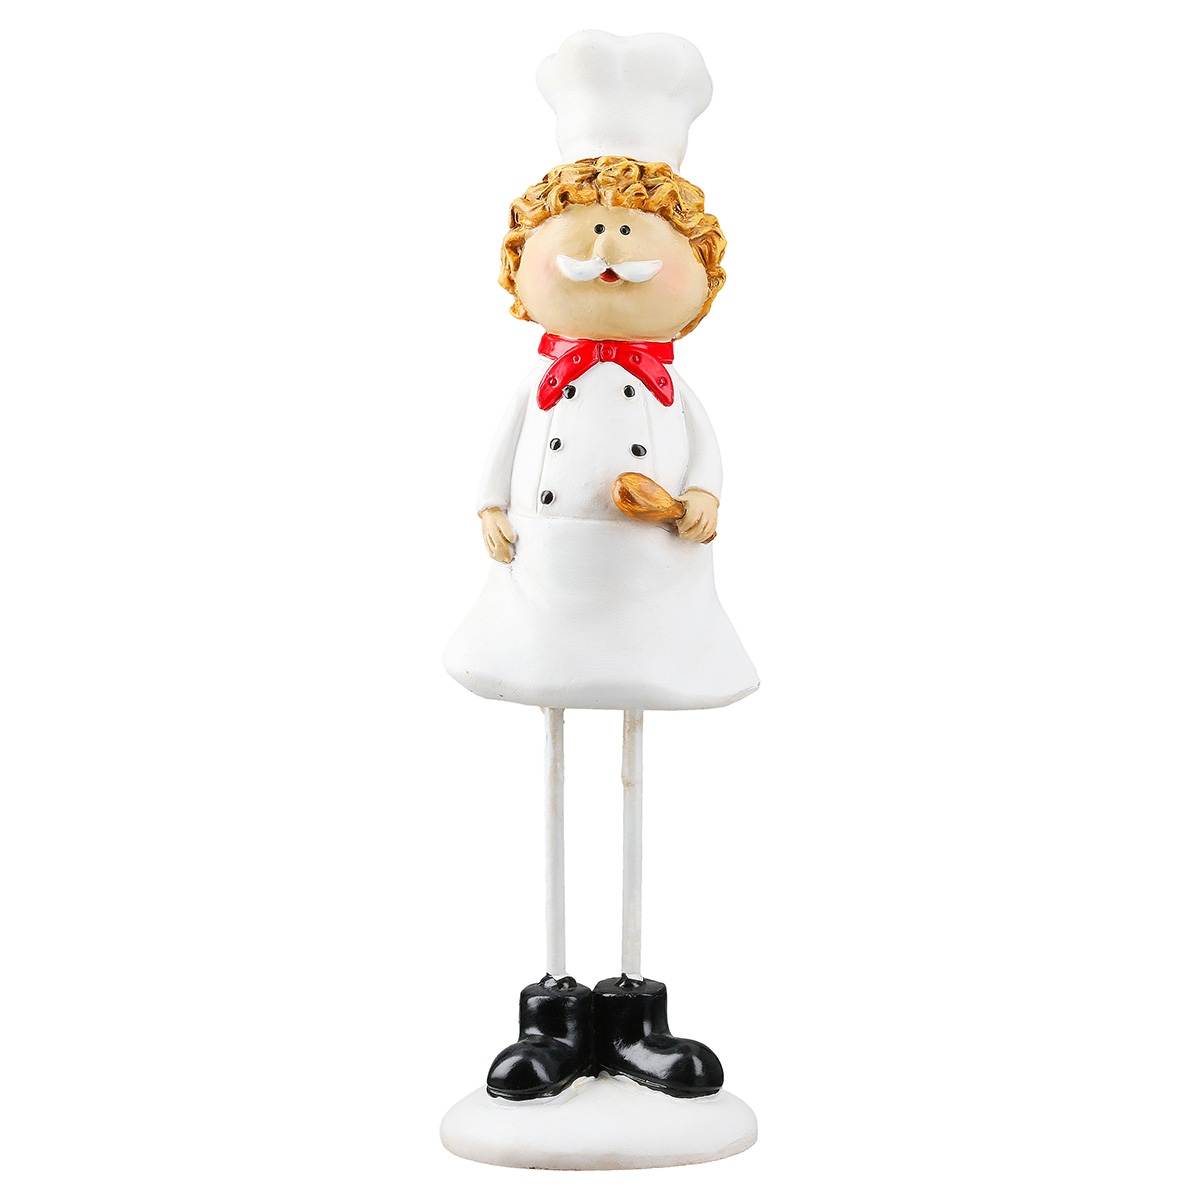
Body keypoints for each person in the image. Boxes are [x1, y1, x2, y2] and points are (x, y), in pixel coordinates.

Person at [444, 31, 757, 1103]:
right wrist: (491, 509)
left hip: (648, 594)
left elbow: (708, 474)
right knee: (552, 770)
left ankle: (632, 1012)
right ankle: (554, 1011)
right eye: (587, 231)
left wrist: (694, 503)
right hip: (544, 593)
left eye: (634, 232)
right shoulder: (539, 384)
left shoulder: (676, 392)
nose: (609, 251)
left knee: (630, 768)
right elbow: (495, 463)